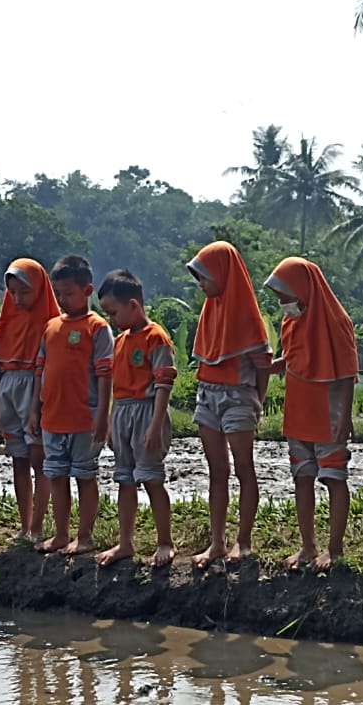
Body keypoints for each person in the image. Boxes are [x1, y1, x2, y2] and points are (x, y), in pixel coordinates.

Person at [266, 257, 360, 572]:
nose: (283, 304)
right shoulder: (290, 322)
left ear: (303, 290)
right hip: (298, 411)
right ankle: (307, 546)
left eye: (285, 296)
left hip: (328, 412)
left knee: (333, 478)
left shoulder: (336, 321)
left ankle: (334, 548)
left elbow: (347, 374)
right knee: (302, 478)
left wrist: (345, 417)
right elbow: (292, 359)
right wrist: (269, 365)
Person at [186, 241, 271, 569]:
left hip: (238, 395)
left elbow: (262, 365)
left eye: (205, 277)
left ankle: (244, 542)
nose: (202, 284)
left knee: (243, 468)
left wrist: (257, 402)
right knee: (217, 470)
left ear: (223, 274)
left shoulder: (246, 314)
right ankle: (217, 543)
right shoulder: (211, 311)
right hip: (208, 394)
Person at [94, 269, 177, 568]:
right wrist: (111, 425)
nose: (112, 319)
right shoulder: (120, 342)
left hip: (146, 411)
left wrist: (155, 426)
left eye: (114, 312)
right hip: (124, 412)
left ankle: (165, 541)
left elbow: (163, 385)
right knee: (125, 480)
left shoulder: (157, 338)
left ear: (133, 305)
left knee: (152, 478)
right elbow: (117, 387)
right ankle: (125, 542)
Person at [31, 255, 113, 556]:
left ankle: (85, 536)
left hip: (84, 417)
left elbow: (105, 376)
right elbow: (40, 371)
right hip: (53, 416)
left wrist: (103, 416)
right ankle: (62, 533)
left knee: (85, 474)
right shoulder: (50, 327)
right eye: (59, 293)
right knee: (56, 475)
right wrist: (34, 410)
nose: (62, 299)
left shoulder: (98, 328)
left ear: (87, 290)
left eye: (68, 292)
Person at [0, 258, 60, 541]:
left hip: (36, 388)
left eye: (24, 291)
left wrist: (38, 404)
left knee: (38, 458)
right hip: (8, 385)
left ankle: (38, 525)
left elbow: (50, 365)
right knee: (17, 458)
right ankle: (24, 525)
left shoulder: (50, 322)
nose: (18, 298)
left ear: (39, 288)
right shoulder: (7, 318)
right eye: (13, 292)